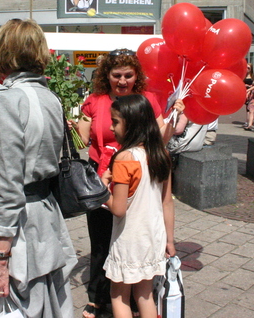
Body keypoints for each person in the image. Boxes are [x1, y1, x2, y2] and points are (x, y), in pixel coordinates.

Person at [0, 19, 76, 317]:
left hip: (15, 221)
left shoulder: (7, 97)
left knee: (18, 302)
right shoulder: (50, 97)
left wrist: (0, 255)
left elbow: (9, 178)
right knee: (46, 301)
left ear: (3, 51)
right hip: (43, 211)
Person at [73, 49, 181, 318]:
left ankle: (126, 300)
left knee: (124, 242)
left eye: (128, 75)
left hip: (130, 180)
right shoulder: (95, 101)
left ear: (137, 76)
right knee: (100, 245)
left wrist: (174, 118)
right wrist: (75, 126)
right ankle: (98, 297)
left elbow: (158, 140)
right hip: (103, 180)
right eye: (116, 75)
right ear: (106, 76)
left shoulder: (147, 101)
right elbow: (83, 141)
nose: (122, 80)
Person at [100, 94, 175, 318]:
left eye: (115, 122)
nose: (111, 127)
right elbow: (167, 202)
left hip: (130, 238)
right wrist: (170, 240)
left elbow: (119, 208)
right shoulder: (161, 154)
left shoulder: (124, 158)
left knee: (119, 294)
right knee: (144, 294)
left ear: (131, 124)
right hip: (153, 236)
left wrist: (102, 188)